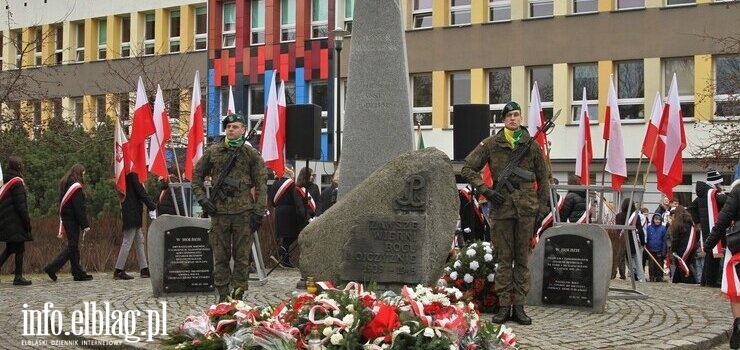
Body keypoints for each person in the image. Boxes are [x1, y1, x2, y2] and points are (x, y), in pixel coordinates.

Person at [461, 101, 551, 325]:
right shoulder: (492, 143)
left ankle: (519, 307)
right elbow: (467, 168)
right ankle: (503, 307)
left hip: (526, 211)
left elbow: (544, 178)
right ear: (503, 119)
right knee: (503, 260)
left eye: (516, 115)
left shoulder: (531, 145)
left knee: (522, 260)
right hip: (501, 210)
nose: (513, 119)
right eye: (509, 115)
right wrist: (486, 191)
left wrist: (541, 209)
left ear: (521, 118)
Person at [192, 113, 267, 302]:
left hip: (243, 213)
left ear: (243, 129)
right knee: (220, 256)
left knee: (242, 258)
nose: (231, 130)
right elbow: (196, 177)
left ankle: (238, 296)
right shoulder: (214, 152)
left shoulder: (251, 154)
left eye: (235, 127)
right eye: (228, 127)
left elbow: (261, 184)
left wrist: (258, 212)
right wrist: (203, 200)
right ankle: (223, 296)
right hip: (219, 213)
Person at [703, 179, 740, 348]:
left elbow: (722, 220)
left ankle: (738, 325)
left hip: (738, 247)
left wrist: (708, 244)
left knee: (736, 291)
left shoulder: (737, 191)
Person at [44, 164, 93, 282]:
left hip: (67, 218)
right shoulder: (75, 187)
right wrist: (85, 224)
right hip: (72, 219)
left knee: (73, 246)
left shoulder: (67, 183)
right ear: (79, 173)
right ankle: (52, 267)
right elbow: (78, 208)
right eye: (83, 174)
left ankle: (77, 272)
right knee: (72, 247)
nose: (84, 176)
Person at [114, 172, 157, 280]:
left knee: (139, 241)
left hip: (132, 211)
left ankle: (144, 269)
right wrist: (152, 206)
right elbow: (140, 192)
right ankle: (118, 270)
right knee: (127, 241)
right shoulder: (132, 174)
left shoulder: (127, 173)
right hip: (131, 212)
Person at [690, 169, 728, 287]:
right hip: (714, 227)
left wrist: (698, 222)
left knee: (709, 255)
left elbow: (691, 207)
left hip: (707, 228)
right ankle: (711, 281)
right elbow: (727, 202)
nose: (720, 186)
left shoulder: (703, 195)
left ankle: (705, 280)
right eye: (719, 184)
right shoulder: (713, 194)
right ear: (715, 183)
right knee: (714, 256)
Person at [0, 156, 33, 285]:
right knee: (19, 249)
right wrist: (27, 222)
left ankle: (18, 276)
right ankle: (18, 277)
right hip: (16, 221)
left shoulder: (6, 180)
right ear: (18, 167)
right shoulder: (17, 182)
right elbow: (21, 206)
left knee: (9, 249)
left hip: (7, 220)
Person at [268, 166, 302, 267]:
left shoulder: (274, 184)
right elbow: (296, 199)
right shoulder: (291, 184)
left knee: (284, 236)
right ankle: (283, 253)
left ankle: (284, 257)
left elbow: (272, 202)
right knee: (292, 235)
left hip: (278, 211)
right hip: (290, 212)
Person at [614, 198, 644, 282]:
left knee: (626, 259)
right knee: (636, 258)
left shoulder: (618, 216)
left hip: (622, 240)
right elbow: (640, 230)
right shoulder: (635, 216)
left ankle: (631, 272)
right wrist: (643, 241)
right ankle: (639, 276)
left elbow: (617, 231)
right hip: (632, 240)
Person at [670, 206, 698, 284]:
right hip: (691, 247)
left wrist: (673, 250)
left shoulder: (678, 224)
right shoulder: (691, 224)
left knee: (682, 265)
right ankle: (678, 280)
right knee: (687, 264)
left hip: (681, 249)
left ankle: (688, 280)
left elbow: (675, 239)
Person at [645, 214, 667, 282]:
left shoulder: (663, 228)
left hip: (659, 249)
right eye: (656, 219)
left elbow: (664, 240)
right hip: (651, 249)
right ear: (653, 220)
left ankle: (659, 277)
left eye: (659, 220)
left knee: (659, 264)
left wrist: (663, 251)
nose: (657, 221)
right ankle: (651, 277)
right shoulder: (649, 228)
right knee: (651, 265)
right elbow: (647, 238)